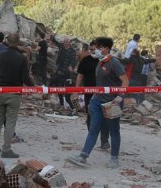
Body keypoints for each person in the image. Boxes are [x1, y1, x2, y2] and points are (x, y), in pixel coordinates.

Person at [75, 37, 128, 168]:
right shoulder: (100, 62)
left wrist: (120, 96)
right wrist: (94, 96)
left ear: (106, 49)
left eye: (98, 47)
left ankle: (114, 159)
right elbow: (100, 83)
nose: (96, 50)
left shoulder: (114, 63)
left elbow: (125, 81)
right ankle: (83, 156)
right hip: (97, 101)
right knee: (93, 128)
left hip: (112, 103)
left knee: (114, 130)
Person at [0, 33, 33, 159]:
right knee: (10, 122)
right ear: (18, 42)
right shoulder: (21, 58)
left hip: (0, 91)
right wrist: (34, 87)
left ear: (7, 42)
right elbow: (25, 78)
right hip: (14, 93)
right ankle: (6, 149)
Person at [76, 42, 108, 150]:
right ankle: (92, 137)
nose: (93, 52)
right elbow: (80, 76)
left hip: (104, 94)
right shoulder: (86, 60)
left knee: (105, 116)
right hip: (89, 93)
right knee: (90, 115)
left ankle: (104, 141)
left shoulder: (106, 61)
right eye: (91, 50)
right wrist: (76, 90)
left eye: (95, 49)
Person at [50, 35, 76, 111]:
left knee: (67, 91)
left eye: (66, 42)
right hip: (59, 70)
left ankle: (73, 108)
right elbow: (56, 42)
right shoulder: (61, 47)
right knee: (58, 86)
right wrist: (52, 37)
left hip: (67, 72)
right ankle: (61, 104)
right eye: (64, 42)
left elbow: (74, 60)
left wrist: (71, 66)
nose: (65, 43)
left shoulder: (72, 51)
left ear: (69, 43)